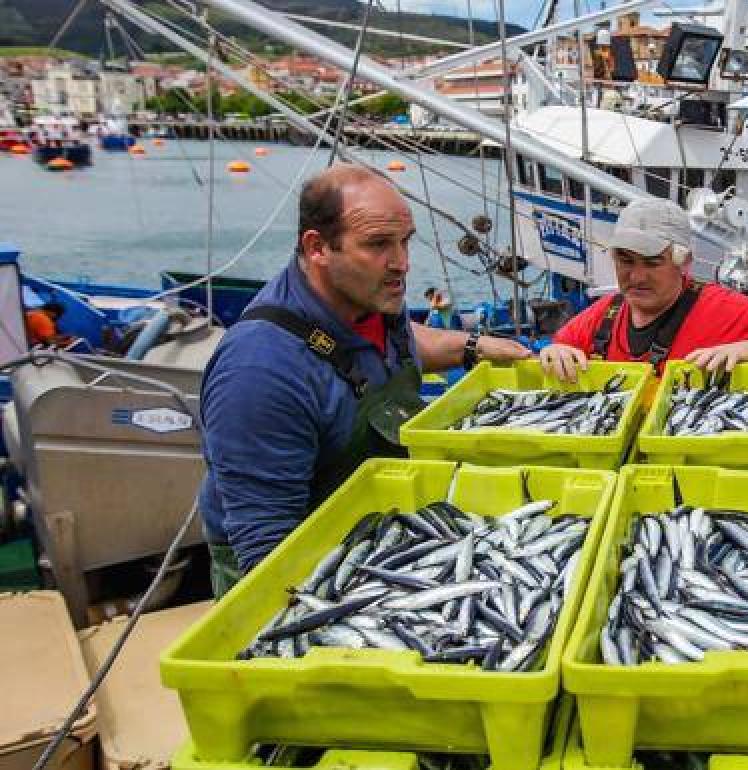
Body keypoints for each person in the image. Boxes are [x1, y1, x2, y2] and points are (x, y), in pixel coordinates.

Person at [198, 164, 531, 596]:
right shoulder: (259, 373)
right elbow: (268, 557)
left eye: (404, 242)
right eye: (378, 245)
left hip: (382, 539)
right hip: (315, 574)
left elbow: (394, 347)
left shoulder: (366, 297)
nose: (402, 264)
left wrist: (473, 346)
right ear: (317, 248)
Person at [540, 198, 748, 382]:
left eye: (653, 262)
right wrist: (555, 352)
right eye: (625, 261)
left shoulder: (723, 309)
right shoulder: (603, 314)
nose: (637, 276)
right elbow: (557, 351)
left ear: (685, 264)